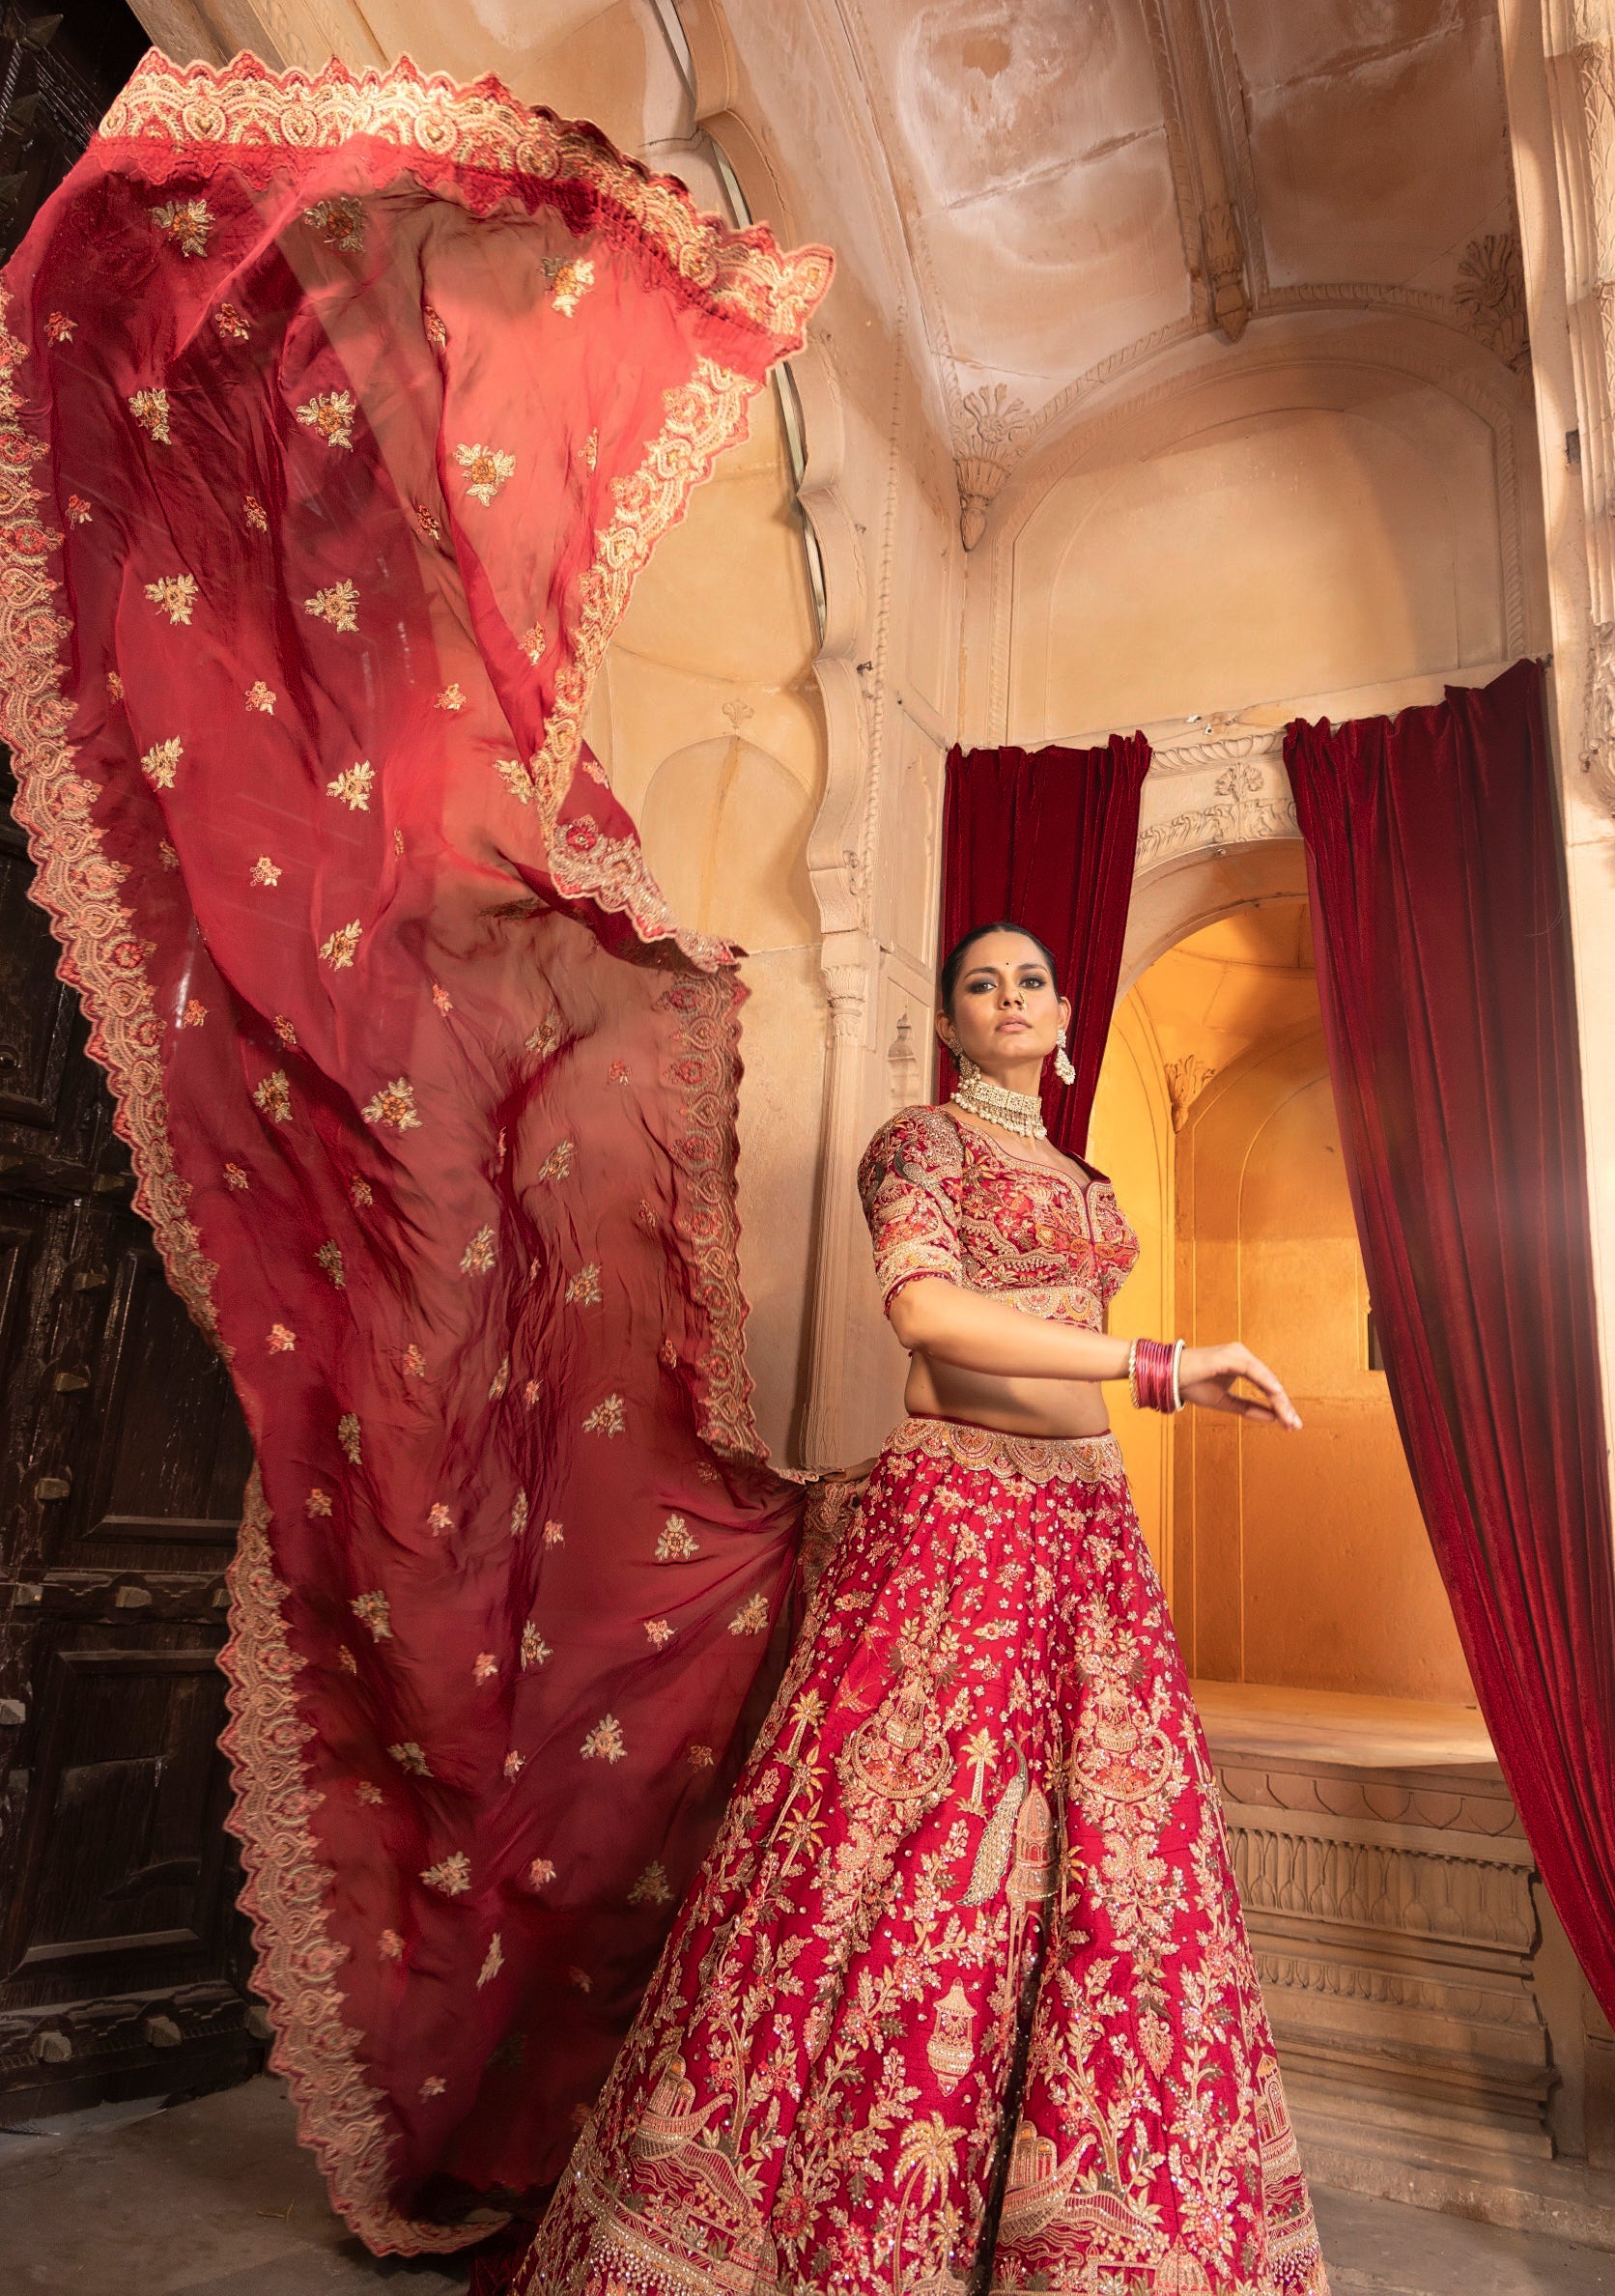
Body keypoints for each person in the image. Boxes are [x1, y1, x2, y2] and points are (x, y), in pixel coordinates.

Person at [509, 920, 1330, 2296]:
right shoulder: (921, 1146)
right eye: (980, 983)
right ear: (949, 1021)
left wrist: (1146, 1390)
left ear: (1064, 1015)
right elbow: (933, 1321)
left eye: (1032, 980)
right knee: (913, 1866)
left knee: (1117, 1877)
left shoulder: (1083, 1173)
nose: (1009, 997)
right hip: (959, 1525)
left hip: (1086, 1530)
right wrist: (1166, 1363)